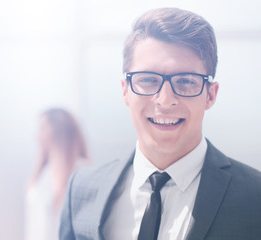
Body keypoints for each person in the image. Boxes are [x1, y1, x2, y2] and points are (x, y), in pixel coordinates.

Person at [59, 8, 261, 240]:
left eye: (185, 81)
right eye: (148, 80)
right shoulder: (82, 190)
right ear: (125, 91)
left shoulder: (255, 197)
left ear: (210, 95)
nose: (165, 101)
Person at [25, 108, 89, 240]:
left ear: (57, 130)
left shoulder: (82, 172)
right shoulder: (43, 175)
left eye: (42, 128)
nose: (37, 136)